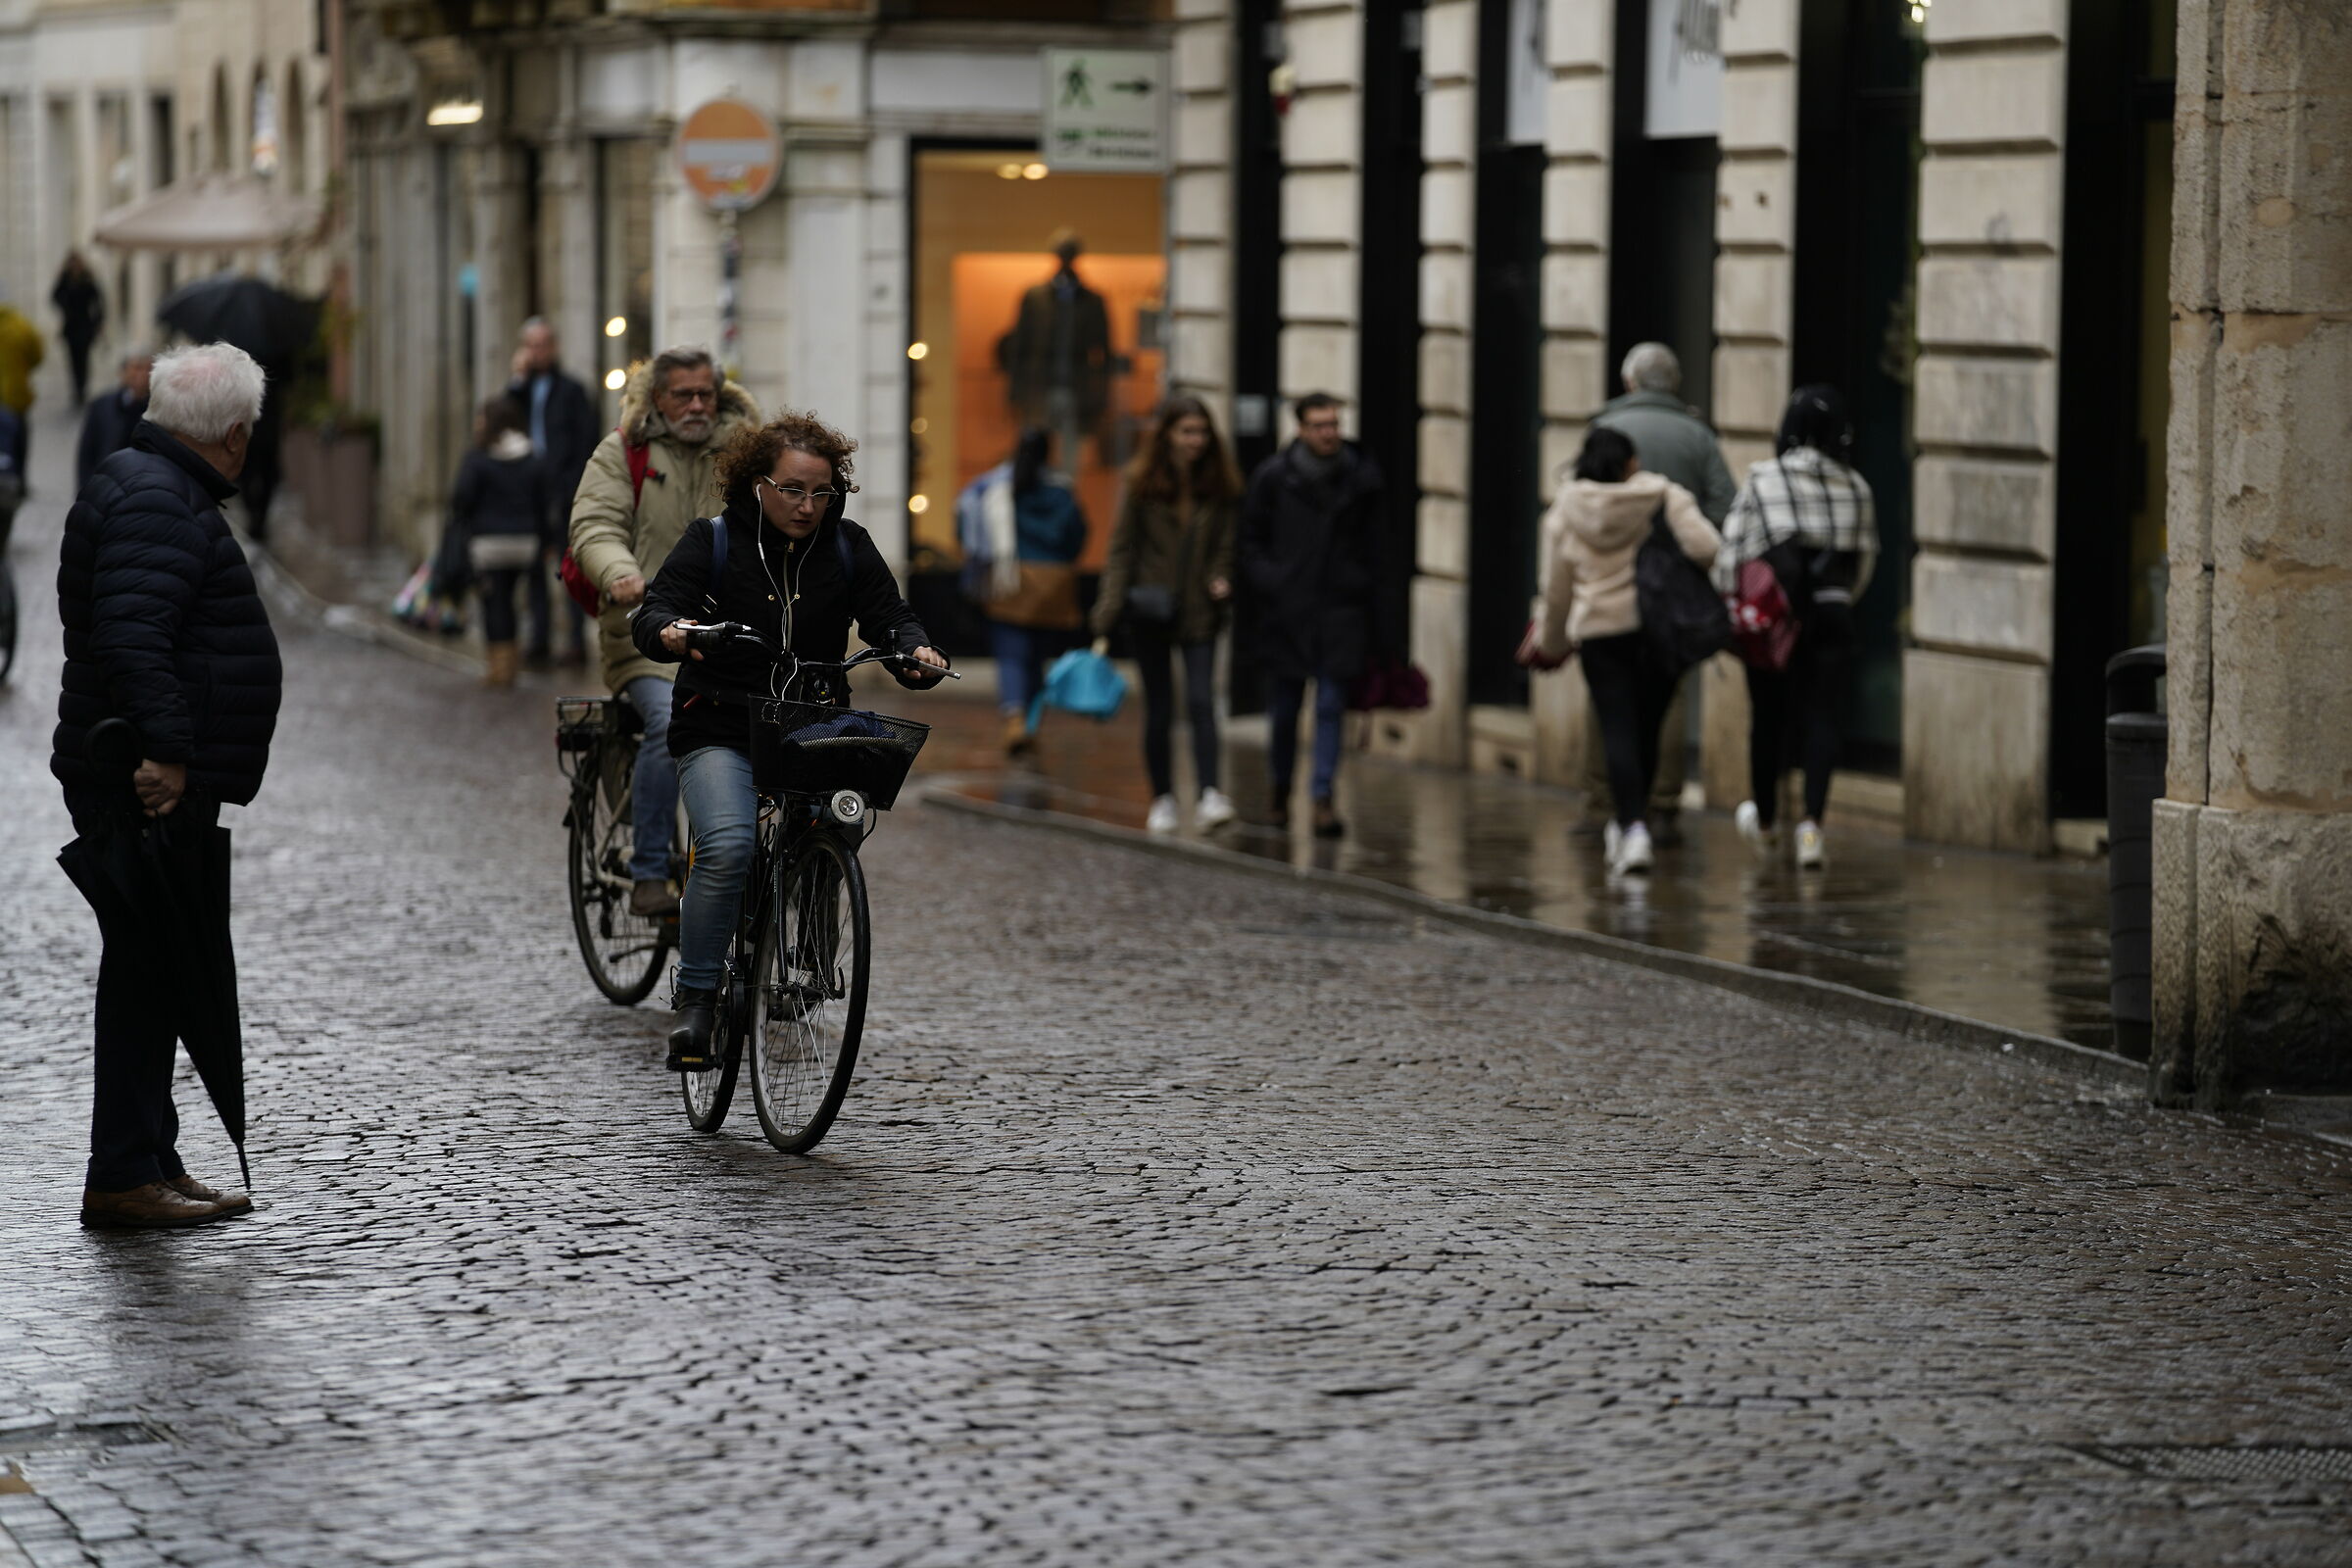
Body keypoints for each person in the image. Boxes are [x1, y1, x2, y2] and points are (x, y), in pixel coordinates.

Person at [631, 411, 948, 1070]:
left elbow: (890, 618)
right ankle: (695, 1004)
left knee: (842, 812)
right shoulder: (712, 540)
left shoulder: (846, 546)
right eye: (794, 490)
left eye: (822, 493)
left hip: (813, 726)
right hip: (720, 723)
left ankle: (811, 925)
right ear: (758, 485)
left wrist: (915, 651)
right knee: (727, 846)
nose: (808, 506)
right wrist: (673, 631)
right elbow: (658, 608)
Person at [51, 342, 282, 1228]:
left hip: (132, 768)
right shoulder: (157, 499)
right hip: (141, 778)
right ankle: (120, 1173)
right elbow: (134, 638)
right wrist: (174, 752)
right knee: (147, 973)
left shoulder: (145, 478)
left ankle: (151, 1156)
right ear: (230, 433)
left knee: (152, 964)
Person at [568, 347, 760, 919]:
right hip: (643, 634)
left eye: (708, 393)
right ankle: (650, 869)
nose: (698, 405)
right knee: (671, 719)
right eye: (684, 394)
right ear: (657, 398)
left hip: (727, 635)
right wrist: (620, 573)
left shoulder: (747, 452)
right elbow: (594, 524)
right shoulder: (622, 451)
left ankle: (742, 866)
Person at [1527, 426, 1720, 877]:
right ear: (1630, 463)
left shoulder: (1565, 512)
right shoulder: (1663, 496)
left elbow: (1556, 591)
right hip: (1658, 628)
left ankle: (1630, 826)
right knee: (1647, 728)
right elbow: (1708, 547)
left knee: (1616, 726)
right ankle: (1636, 823)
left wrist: (1551, 644)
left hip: (1600, 633)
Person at [1715, 384, 1879, 870]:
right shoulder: (1857, 486)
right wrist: (1841, 601)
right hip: (1833, 616)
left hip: (1775, 620)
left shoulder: (1764, 479)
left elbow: (1731, 555)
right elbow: (1864, 565)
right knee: (1823, 719)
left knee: (1767, 720)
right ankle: (1811, 827)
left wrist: (1734, 603)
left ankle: (1766, 825)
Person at [1582, 342, 1739, 842]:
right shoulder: (1697, 435)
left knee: (1609, 702)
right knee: (1665, 699)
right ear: (1673, 384)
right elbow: (1724, 506)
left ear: (1629, 382)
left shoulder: (1605, 427)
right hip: (1670, 590)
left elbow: (1578, 504)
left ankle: (1604, 803)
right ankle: (1664, 803)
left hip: (1609, 585)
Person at [1093, 395, 1240, 836]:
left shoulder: (1221, 485)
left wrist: (1221, 576)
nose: (1195, 441)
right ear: (1168, 435)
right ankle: (1163, 798)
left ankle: (1211, 793)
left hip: (1201, 609)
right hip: (1150, 610)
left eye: (1201, 432)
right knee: (1159, 707)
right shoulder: (1141, 484)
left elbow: (1230, 545)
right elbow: (1121, 550)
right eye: (1186, 432)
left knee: (1200, 700)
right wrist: (1108, 612)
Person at [1239, 392, 1384, 837]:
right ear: (1300, 429)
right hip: (1288, 612)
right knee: (1284, 711)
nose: (1329, 433)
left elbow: (1379, 544)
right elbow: (1249, 539)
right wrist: (1273, 581)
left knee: (1330, 707)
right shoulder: (1274, 478)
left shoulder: (1361, 477)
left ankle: (1322, 797)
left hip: (1340, 612)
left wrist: (1368, 594)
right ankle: (1280, 791)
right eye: (1320, 425)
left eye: (1334, 424)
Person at [957, 427, 1088, 755]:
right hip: (1051, 584)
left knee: (1011, 655)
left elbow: (966, 523)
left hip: (1010, 579)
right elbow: (1075, 535)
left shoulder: (997, 488)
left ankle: (1014, 719)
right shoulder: (1062, 491)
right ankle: (1030, 725)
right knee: (1037, 659)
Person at [507, 318, 598, 668]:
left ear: (554, 347)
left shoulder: (572, 390)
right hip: (526, 492)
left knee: (568, 566)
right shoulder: (521, 390)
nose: (537, 352)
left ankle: (575, 642)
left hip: (563, 490)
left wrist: (572, 486)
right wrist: (517, 379)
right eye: (530, 345)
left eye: (542, 344)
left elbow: (586, 440)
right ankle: (539, 638)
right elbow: (504, 422)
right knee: (532, 568)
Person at [447, 396, 550, 687]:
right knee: (516, 602)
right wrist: (545, 541)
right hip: (526, 543)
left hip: (488, 545)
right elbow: (544, 504)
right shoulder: (533, 456)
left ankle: (499, 668)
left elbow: (461, 499)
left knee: (496, 604)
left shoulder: (478, 458)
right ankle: (513, 663)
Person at [1000, 229, 1112, 475]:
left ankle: (1064, 502)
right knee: (1036, 447)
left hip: (1077, 388)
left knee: (1071, 456)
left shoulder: (1093, 301)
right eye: (1062, 252)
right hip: (1040, 386)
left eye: (1070, 253)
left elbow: (1104, 352)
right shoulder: (1035, 297)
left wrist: (1102, 394)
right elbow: (1020, 347)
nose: (1066, 258)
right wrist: (1015, 391)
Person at [77, 349, 152, 489]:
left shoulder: (158, 409)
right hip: (106, 482)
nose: (142, 375)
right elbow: (87, 451)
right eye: (137, 368)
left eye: (148, 369)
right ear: (124, 372)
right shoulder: (102, 405)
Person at [0, 286, 45, 477]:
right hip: (15, 394)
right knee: (18, 437)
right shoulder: (22, 325)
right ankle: (18, 476)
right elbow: (37, 356)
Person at [51, 253, 105, 407]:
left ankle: (82, 387)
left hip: (85, 326)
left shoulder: (88, 280)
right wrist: (64, 307)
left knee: (84, 358)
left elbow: (99, 301)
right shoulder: (65, 279)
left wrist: (98, 321)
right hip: (70, 327)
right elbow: (54, 296)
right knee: (73, 359)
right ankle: (76, 388)